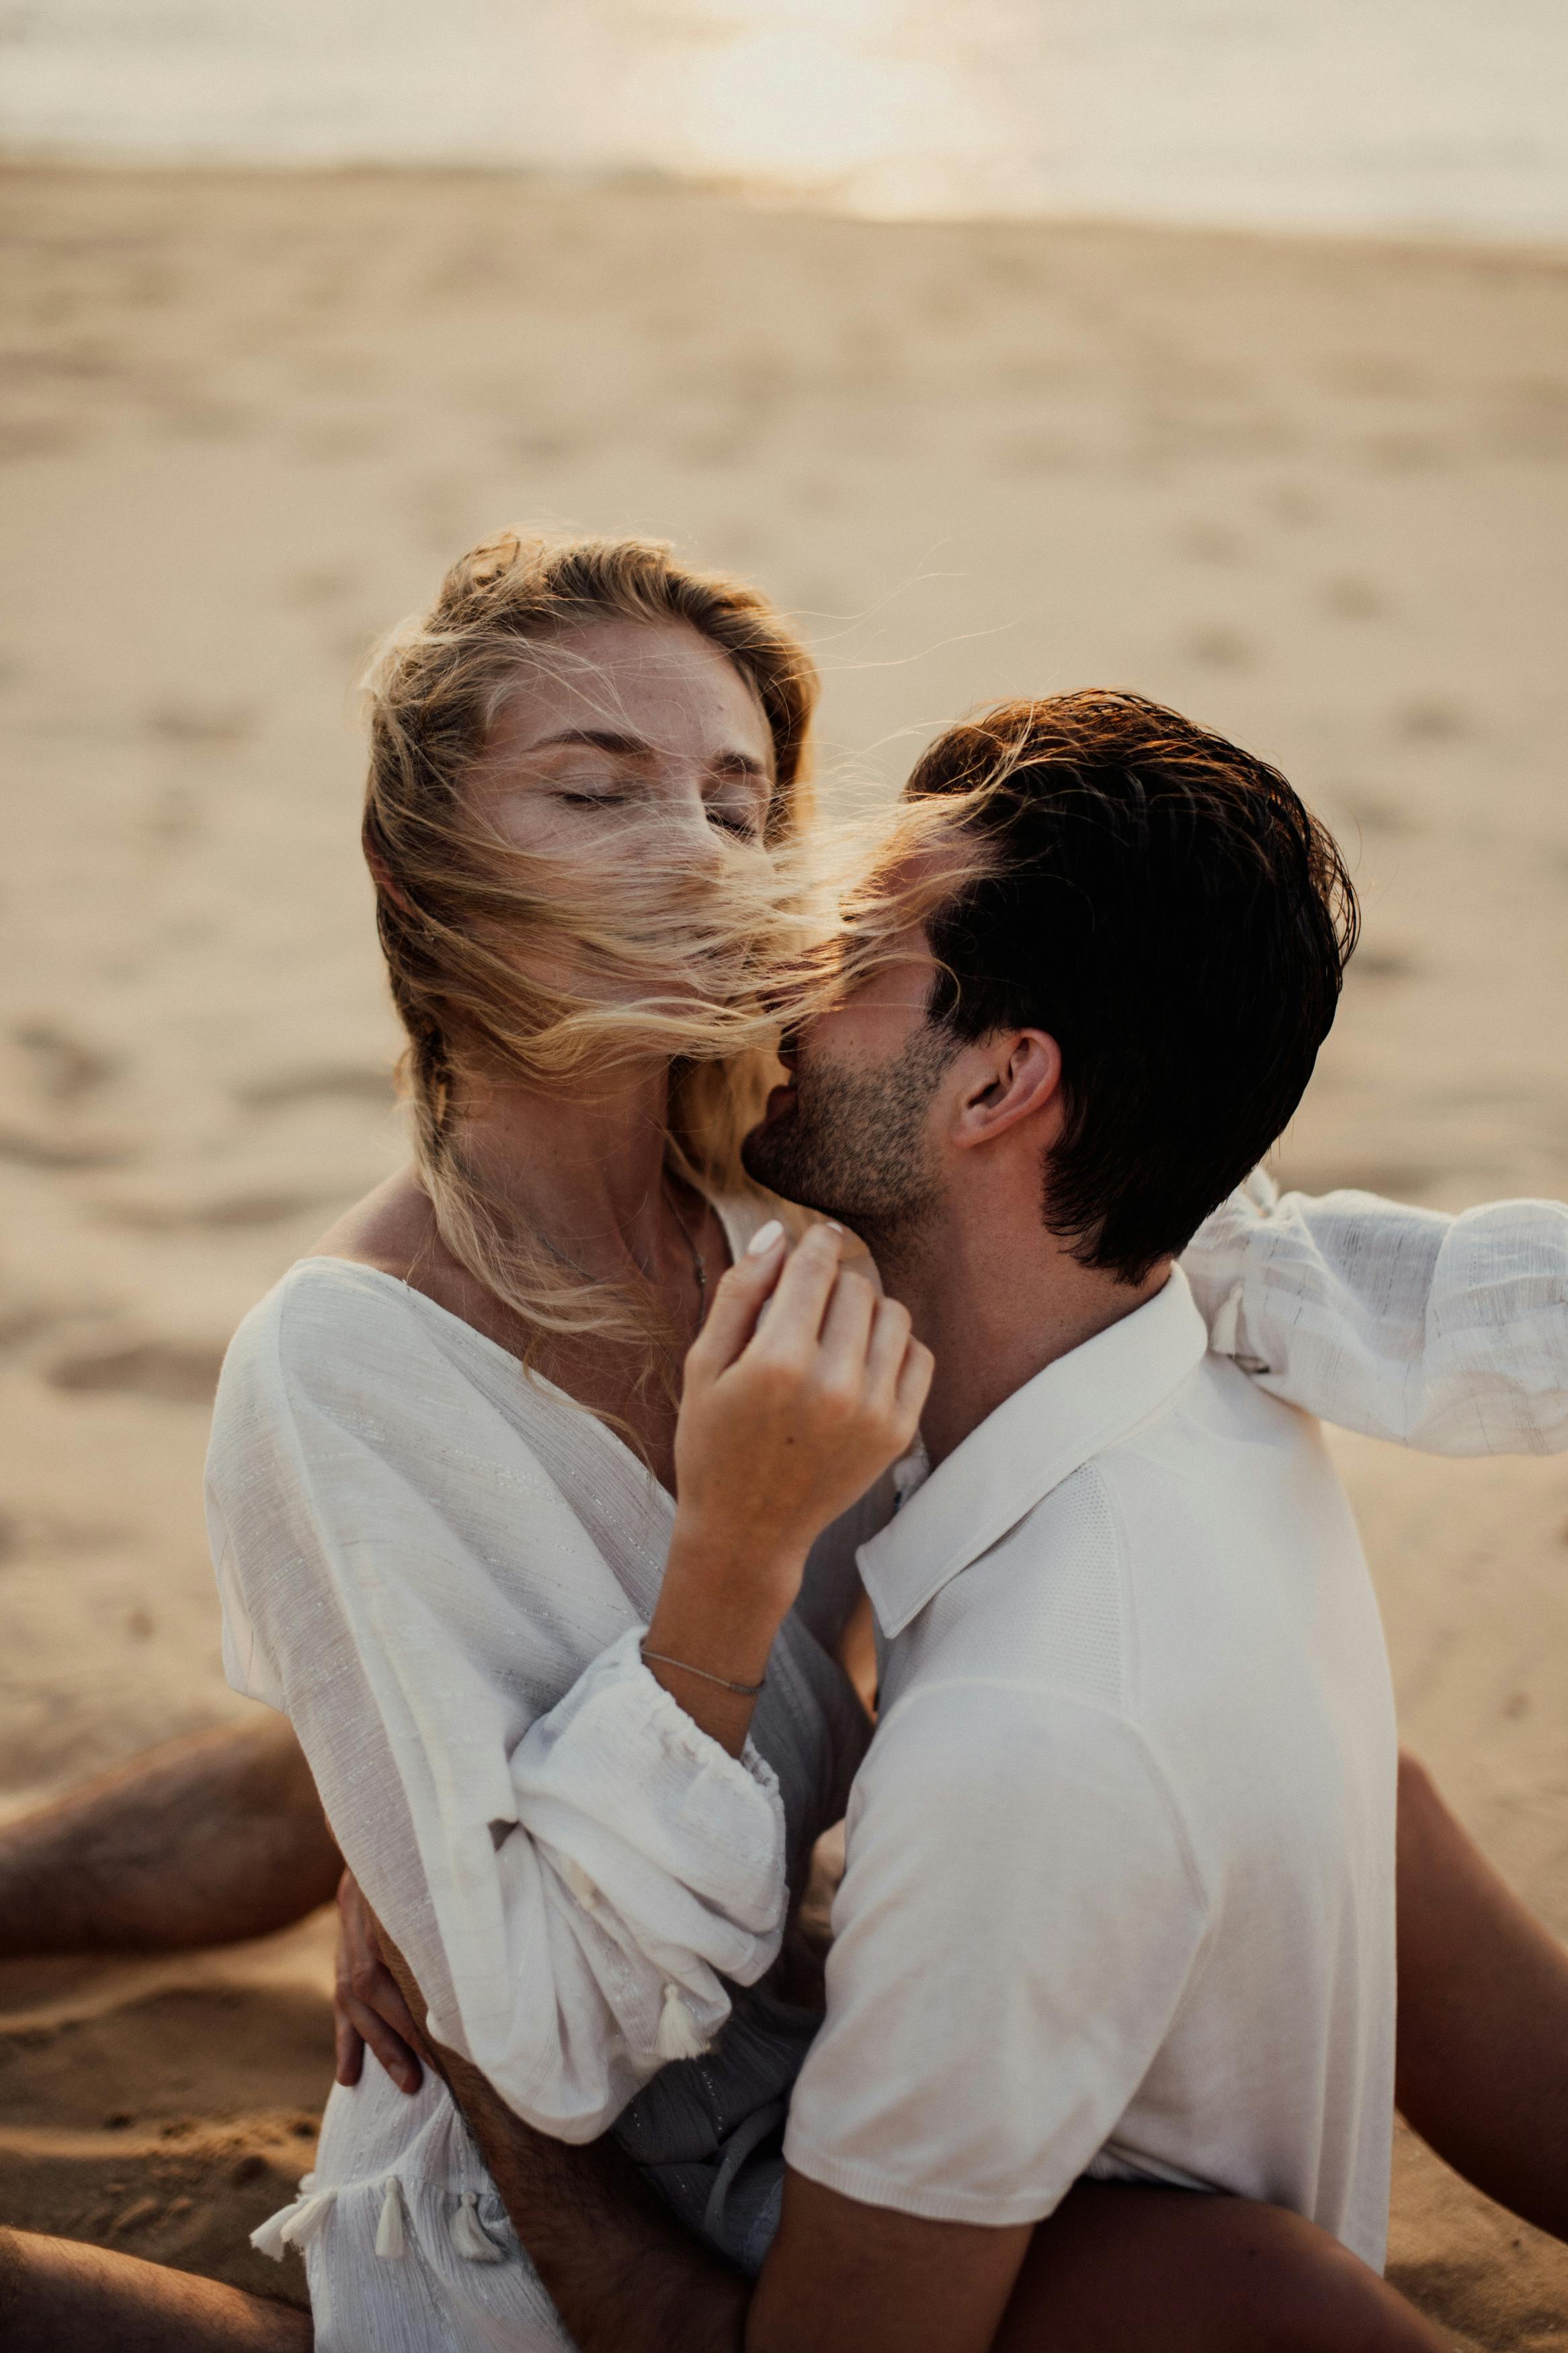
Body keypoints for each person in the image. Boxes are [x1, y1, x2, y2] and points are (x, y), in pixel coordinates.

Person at [4, 535, 1568, 2350]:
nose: (695, 847)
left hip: (810, 2072)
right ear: (417, 865)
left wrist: (401, 1838)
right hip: (560, 2206)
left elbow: (1230, 1242)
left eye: (743, 804)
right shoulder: (348, 1366)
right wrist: (695, 1599)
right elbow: (546, 2039)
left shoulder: (812, 1195)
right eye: (598, 789)